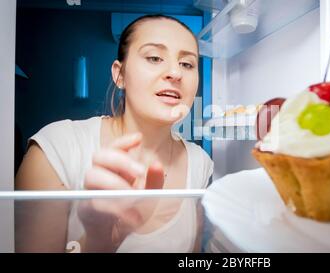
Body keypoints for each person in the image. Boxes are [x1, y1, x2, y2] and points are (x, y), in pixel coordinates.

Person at [14, 14, 213, 253]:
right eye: (154, 57)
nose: (175, 72)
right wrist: (101, 238)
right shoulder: (57, 148)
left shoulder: (200, 163)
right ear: (119, 75)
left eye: (187, 64)